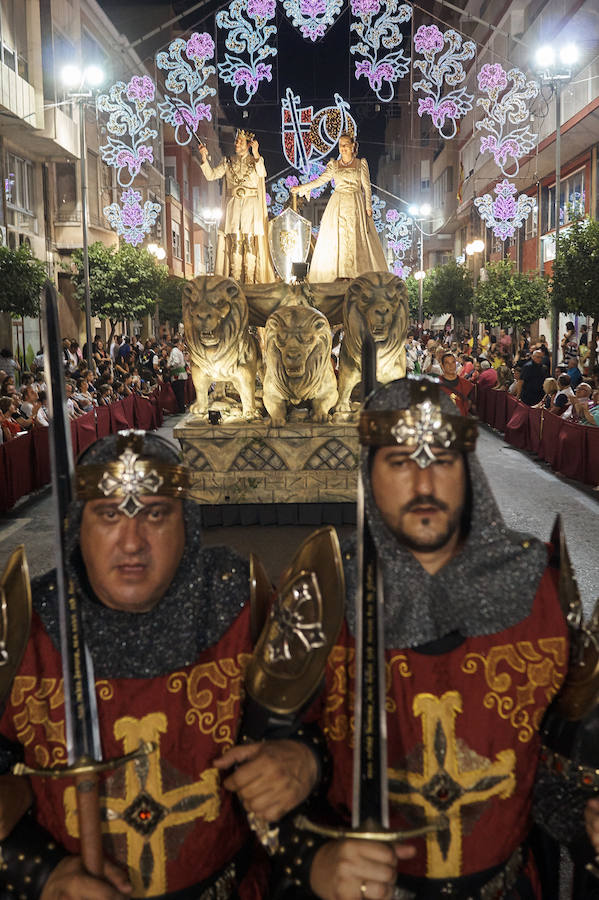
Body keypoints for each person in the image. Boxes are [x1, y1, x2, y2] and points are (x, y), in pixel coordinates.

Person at [273, 376, 597, 899]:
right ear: (368, 471)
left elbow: (562, 761)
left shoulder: (541, 588)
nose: (424, 483)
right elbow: (268, 758)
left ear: (467, 468)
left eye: (442, 460)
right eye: (400, 461)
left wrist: (584, 817)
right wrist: (312, 857)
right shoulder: (322, 588)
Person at [0, 431, 325, 898]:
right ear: (78, 526)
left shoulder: (242, 605)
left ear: (187, 523)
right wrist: (39, 870)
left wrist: (305, 759)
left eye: (154, 513)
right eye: (109, 514)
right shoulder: (20, 625)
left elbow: (306, 731)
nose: (132, 542)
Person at [290, 132, 387, 283]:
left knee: (356, 238)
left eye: (345, 145)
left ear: (352, 146)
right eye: (340, 145)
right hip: (338, 203)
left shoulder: (361, 164)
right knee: (337, 238)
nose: (342, 148)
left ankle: (356, 273)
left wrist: (368, 208)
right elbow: (320, 180)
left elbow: (367, 187)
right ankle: (339, 273)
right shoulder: (334, 165)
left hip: (355, 203)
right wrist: (302, 187)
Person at [199, 129, 274, 284]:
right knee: (235, 240)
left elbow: (262, 173)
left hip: (250, 205)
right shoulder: (228, 161)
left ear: (248, 144)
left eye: (240, 141)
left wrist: (256, 153)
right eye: (236, 140)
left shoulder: (256, 161)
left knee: (248, 240)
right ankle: (236, 278)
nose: (236, 143)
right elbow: (211, 175)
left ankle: (250, 279)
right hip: (233, 205)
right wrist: (204, 157)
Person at [168, 338, 188, 414]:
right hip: (181, 374)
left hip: (178, 374)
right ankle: (181, 408)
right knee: (181, 392)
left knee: (178, 392)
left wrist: (169, 365)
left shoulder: (174, 351)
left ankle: (180, 408)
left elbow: (176, 362)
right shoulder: (178, 351)